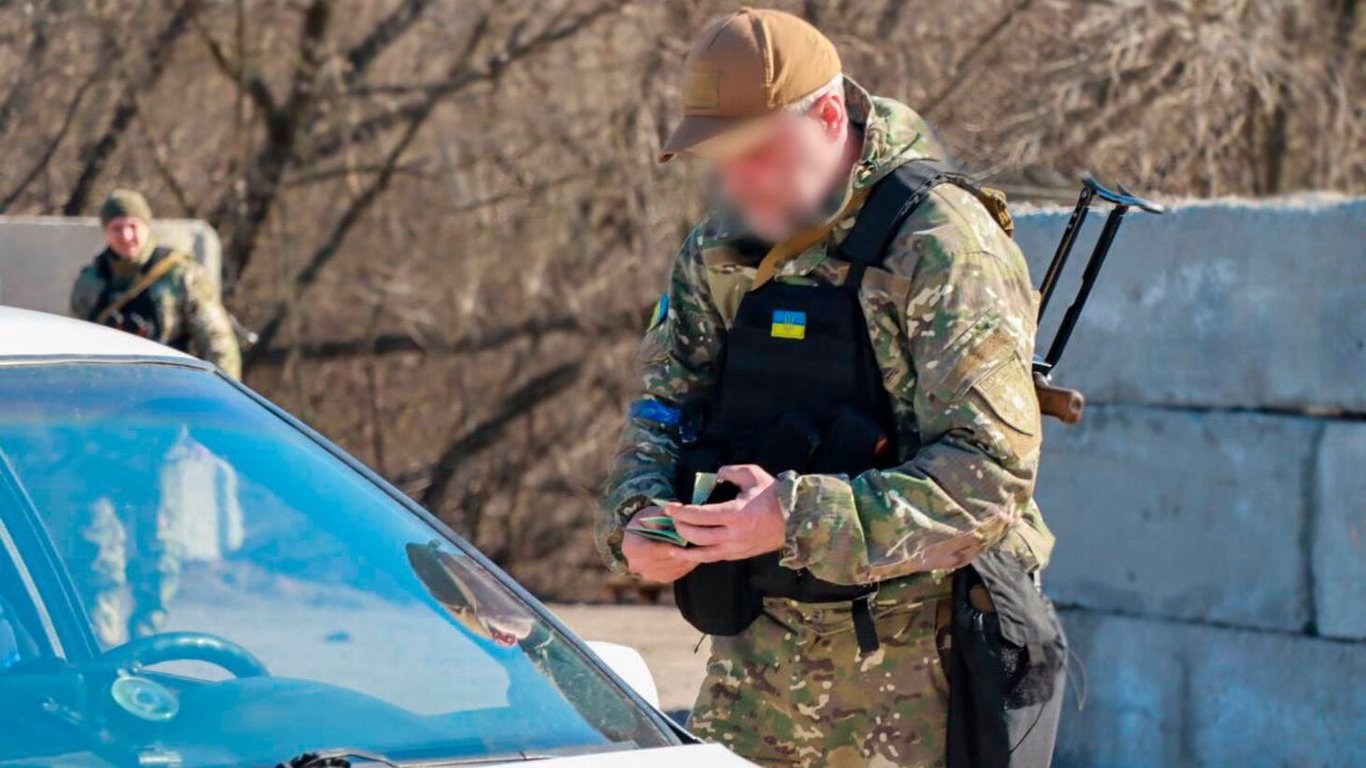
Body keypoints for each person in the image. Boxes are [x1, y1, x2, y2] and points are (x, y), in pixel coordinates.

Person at [599, 9, 1064, 768]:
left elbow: (990, 478)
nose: (739, 181)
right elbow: (662, 408)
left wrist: (794, 517)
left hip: (917, 693)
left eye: (759, 153)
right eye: (722, 159)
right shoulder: (720, 249)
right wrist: (636, 519)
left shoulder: (942, 244)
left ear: (826, 115)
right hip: (752, 686)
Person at [70, 189, 241, 378]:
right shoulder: (91, 281)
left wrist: (218, 399)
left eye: (133, 226)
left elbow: (218, 343)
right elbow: (75, 344)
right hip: (110, 386)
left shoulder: (181, 275)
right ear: (106, 232)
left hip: (173, 384)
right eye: (117, 228)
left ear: (146, 227)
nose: (126, 236)